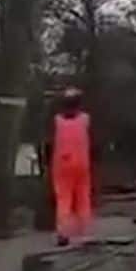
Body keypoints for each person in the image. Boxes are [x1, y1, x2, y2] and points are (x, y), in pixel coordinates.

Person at [50, 88, 93, 246]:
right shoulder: (85, 119)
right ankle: (84, 231)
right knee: (83, 197)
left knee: (64, 198)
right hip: (82, 163)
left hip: (62, 164)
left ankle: (63, 232)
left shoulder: (58, 121)